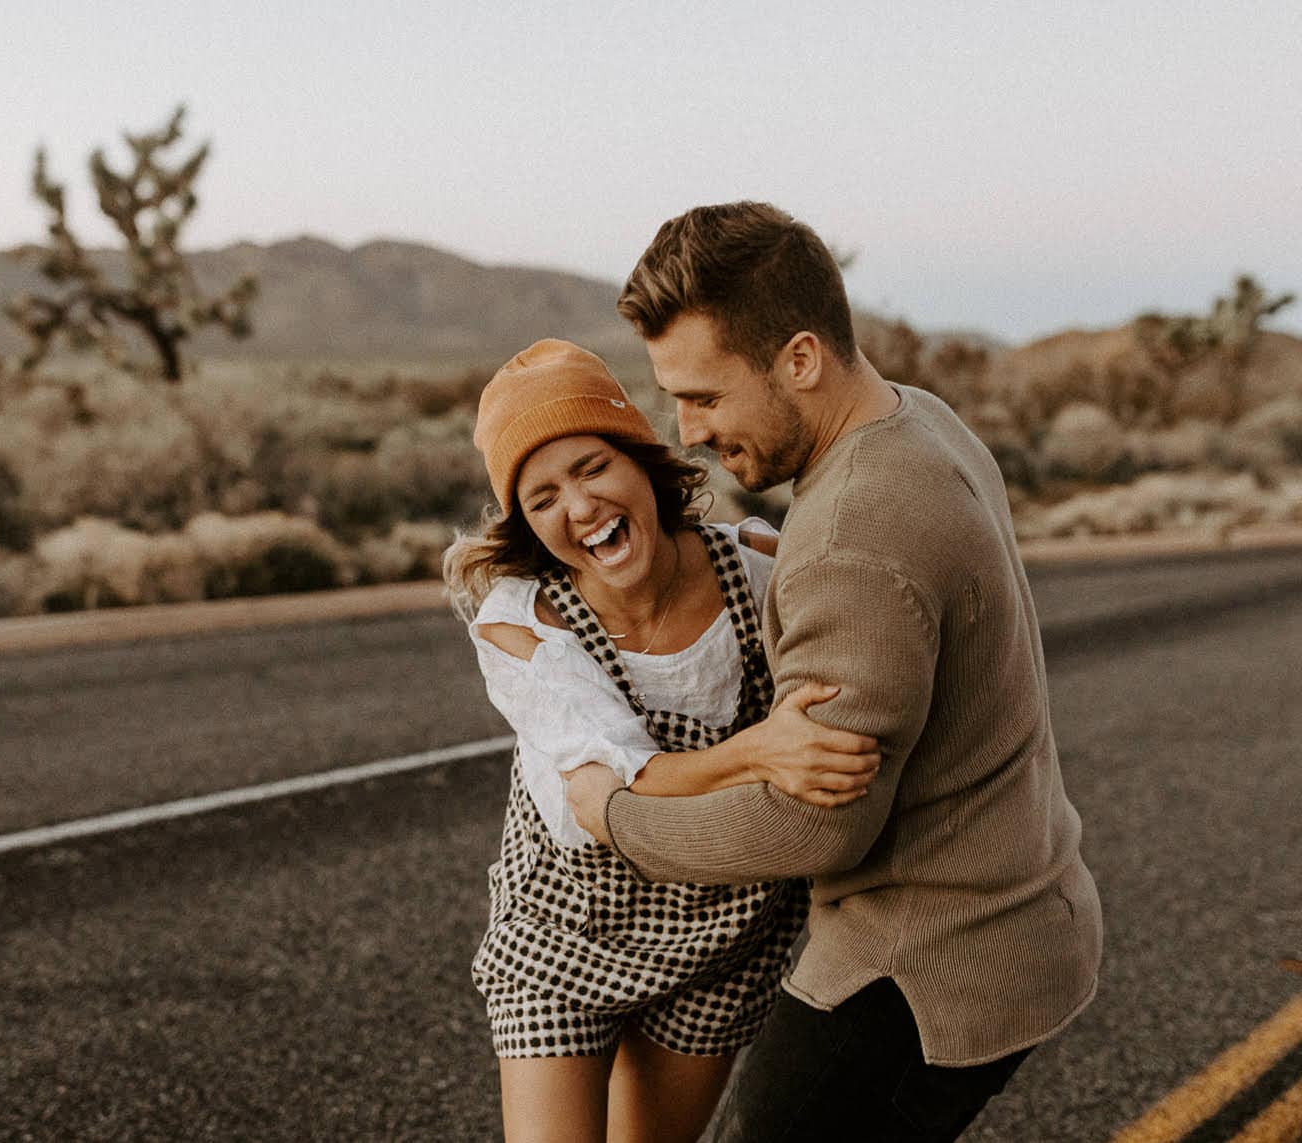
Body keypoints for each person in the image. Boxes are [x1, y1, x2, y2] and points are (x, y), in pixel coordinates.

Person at [564, 201, 1104, 1142]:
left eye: (705, 396)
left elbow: (818, 819)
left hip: (926, 961)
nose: (686, 431)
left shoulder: (851, 535)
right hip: (1023, 904)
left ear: (800, 360)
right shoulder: (918, 418)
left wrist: (619, 818)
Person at [444, 338, 883, 1143]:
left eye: (590, 468)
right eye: (541, 499)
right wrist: (759, 750)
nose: (578, 509)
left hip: (727, 930)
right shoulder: (521, 624)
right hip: (566, 930)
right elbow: (611, 785)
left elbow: (861, 630)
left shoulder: (754, 566)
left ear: (643, 461)